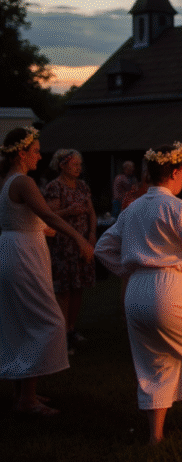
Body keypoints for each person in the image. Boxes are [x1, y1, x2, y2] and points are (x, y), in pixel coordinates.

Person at [93, 142, 182, 443]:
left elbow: (103, 248)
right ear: (174, 172)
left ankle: (155, 436)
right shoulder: (176, 207)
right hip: (167, 290)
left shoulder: (133, 211)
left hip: (136, 292)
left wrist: (130, 270)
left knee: (154, 362)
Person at [1, 127, 94, 416]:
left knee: (22, 322)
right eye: (36, 151)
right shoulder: (22, 182)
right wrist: (78, 238)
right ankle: (28, 400)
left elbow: (35, 222)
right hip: (22, 254)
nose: (41, 156)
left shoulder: (6, 181)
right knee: (47, 321)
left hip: (15, 248)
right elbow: (48, 214)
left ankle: (24, 393)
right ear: (21, 153)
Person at [43, 148, 97, 354]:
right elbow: (50, 215)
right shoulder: (54, 187)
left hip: (83, 242)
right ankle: (62, 333)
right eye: (74, 164)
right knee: (64, 288)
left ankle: (72, 328)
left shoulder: (82, 186)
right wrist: (68, 211)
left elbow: (91, 212)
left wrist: (92, 234)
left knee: (78, 286)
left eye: (79, 165)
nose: (78, 168)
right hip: (64, 244)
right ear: (62, 165)